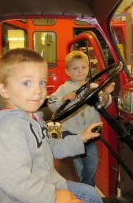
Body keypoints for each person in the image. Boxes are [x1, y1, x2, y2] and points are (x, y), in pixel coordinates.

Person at [0, 48, 104, 203]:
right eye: (27, 82)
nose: (38, 90)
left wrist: (81, 138)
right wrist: (54, 197)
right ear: (3, 89)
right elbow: (16, 180)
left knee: (91, 193)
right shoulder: (8, 130)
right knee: (92, 198)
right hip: (28, 198)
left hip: (49, 183)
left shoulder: (32, 118)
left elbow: (49, 147)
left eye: (42, 82)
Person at [48, 50, 115, 187]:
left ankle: (89, 188)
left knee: (91, 165)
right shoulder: (64, 88)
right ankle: (78, 191)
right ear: (67, 71)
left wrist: (106, 94)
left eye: (83, 67)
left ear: (88, 68)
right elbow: (51, 103)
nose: (80, 71)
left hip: (90, 134)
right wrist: (63, 99)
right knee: (76, 167)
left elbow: (104, 102)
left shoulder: (94, 87)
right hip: (72, 135)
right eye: (75, 68)